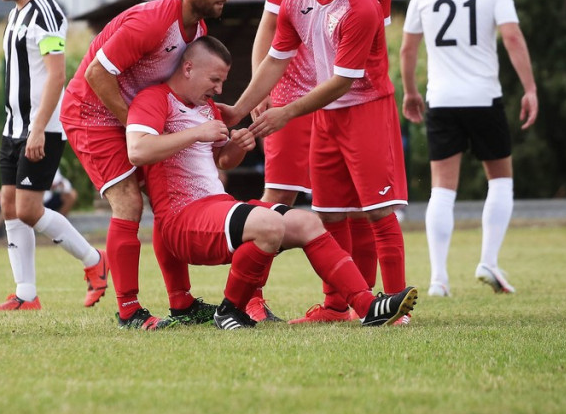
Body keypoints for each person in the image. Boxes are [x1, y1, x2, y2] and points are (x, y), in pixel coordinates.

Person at [127, 36, 417, 329]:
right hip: (182, 218)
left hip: (216, 207)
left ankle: (368, 307)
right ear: (188, 68)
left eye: (222, 81)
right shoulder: (154, 99)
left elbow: (222, 161)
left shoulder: (207, 107)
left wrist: (238, 145)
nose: (219, 89)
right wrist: (196, 133)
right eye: (214, 80)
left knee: (307, 223)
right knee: (270, 225)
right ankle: (231, 310)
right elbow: (137, 150)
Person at [225, 0, 410, 324]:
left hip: (365, 111)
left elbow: (343, 81)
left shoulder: (360, 7)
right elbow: (276, 59)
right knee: (329, 213)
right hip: (327, 115)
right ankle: (336, 306)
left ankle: (396, 309)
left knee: (377, 210)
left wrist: (287, 112)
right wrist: (239, 109)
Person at [59, 0, 231, 330]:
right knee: (129, 202)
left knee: (166, 201)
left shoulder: (199, 32)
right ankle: (128, 311)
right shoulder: (153, 22)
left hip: (132, 118)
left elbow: (179, 87)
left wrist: (219, 113)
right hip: (92, 113)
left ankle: (182, 304)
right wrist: (134, 127)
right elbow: (96, 75)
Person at [399, 0, 538, 296]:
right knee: (501, 180)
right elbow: (512, 37)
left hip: (442, 100)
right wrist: (529, 89)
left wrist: (410, 92)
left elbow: (408, 48)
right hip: (484, 97)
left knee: (442, 190)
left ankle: (438, 279)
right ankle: (488, 260)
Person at [0, 0, 108, 311]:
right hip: (14, 128)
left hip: (42, 129)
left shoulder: (46, 13)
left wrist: (37, 128)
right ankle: (26, 294)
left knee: (28, 209)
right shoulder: (15, 14)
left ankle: (94, 260)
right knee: (9, 204)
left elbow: (57, 75)